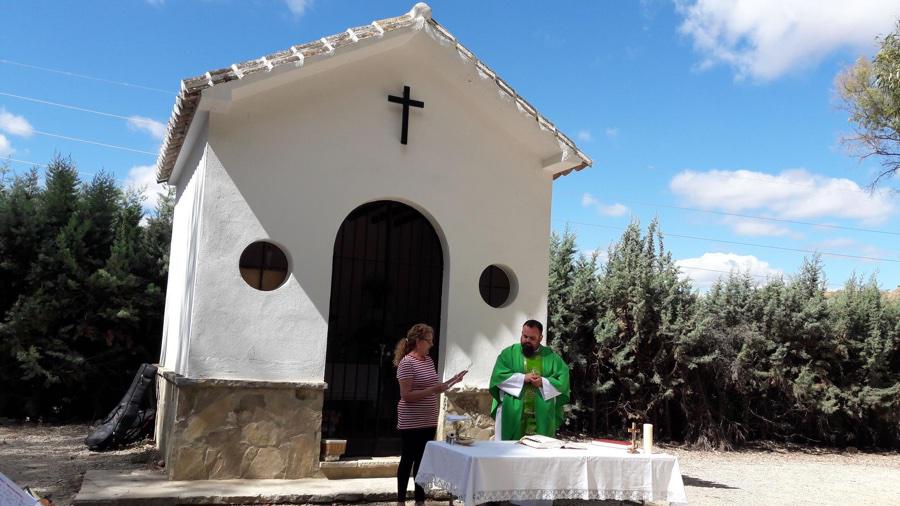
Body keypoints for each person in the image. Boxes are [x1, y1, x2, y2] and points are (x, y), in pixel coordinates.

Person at [394, 323, 465, 505]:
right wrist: (433, 389)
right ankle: (401, 500)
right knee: (408, 459)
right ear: (419, 342)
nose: (431, 344)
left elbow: (434, 389)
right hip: (411, 421)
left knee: (422, 462)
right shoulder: (407, 363)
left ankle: (420, 500)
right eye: (429, 341)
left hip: (428, 420)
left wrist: (452, 381)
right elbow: (406, 395)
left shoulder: (429, 361)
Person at [489, 320, 570, 441]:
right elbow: (497, 377)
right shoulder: (508, 354)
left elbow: (563, 381)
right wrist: (522, 378)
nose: (527, 340)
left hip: (541, 415)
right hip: (512, 413)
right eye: (524, 336)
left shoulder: (551, 357)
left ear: (540, 338)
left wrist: (543, 382)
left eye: (532, 338)